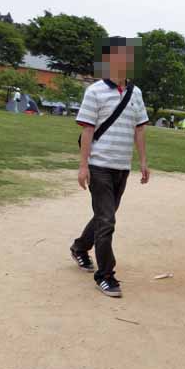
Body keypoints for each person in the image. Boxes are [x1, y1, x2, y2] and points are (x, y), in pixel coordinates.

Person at [70, 37, 150, 298]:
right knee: (107, 221)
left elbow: (139, 129)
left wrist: (143, 162)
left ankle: (80, 247)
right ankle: (105, 276)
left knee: (104, 216)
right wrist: (83, 167)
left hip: (121, 167)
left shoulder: (135, 93)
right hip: (99, 166)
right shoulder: (94, 92)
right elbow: (88, 130)